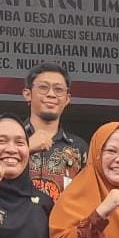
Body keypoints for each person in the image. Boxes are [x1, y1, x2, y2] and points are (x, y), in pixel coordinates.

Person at [22, 62, 88, 201]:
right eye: (43, 87)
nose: (51, 94)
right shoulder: (10, 140)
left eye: (58, 89)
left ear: (67, 99)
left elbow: (87, 198)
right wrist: (25, 148)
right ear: (27, 94)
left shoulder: (79, 148)